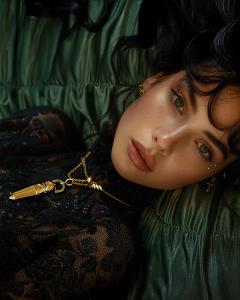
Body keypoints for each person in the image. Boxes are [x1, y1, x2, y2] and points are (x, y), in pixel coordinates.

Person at [1, 0, 240, 299]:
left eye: (205, 149)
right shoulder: (45, 128)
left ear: (214, 174)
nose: (165, 141)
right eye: (178, 101)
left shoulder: (103, 247)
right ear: (154, 81)